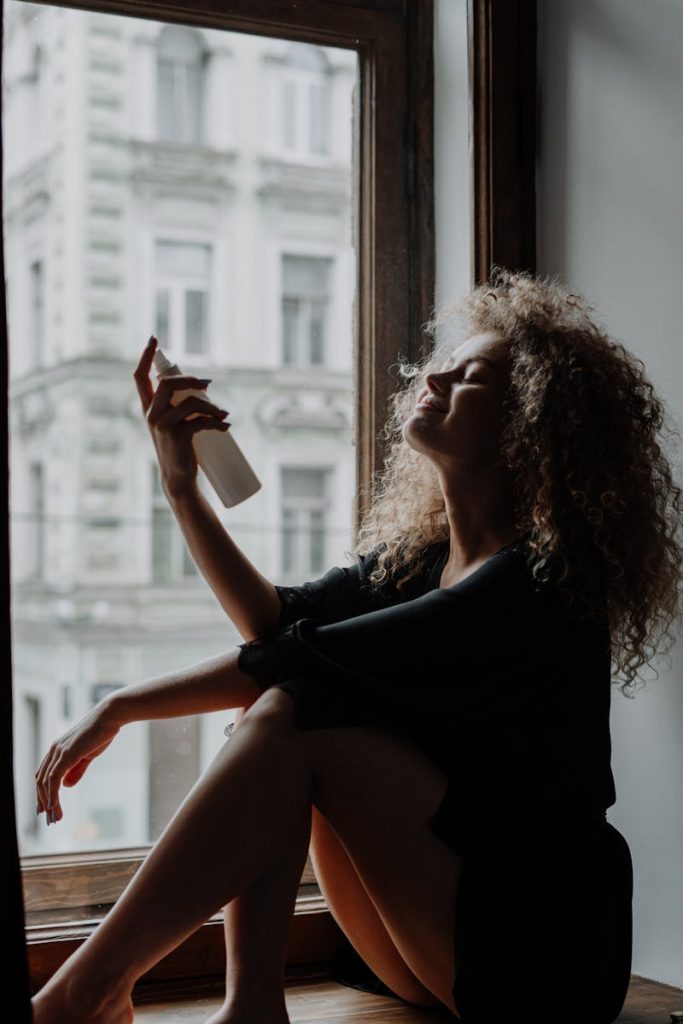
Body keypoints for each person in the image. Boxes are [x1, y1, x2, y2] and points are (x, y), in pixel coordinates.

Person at [31, 267, 682, 1024]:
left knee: (291, 711)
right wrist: (183, 490)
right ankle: (246, 1003)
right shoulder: (422, 561)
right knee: (280, 715)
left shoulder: (538, 582)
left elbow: (298, 663)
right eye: (441, 364)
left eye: (471, 377)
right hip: (436, 937)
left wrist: (117, 706)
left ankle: (87, 994)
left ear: (529, 426)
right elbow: (280, 627)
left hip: (547, 958)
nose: (433, 376)